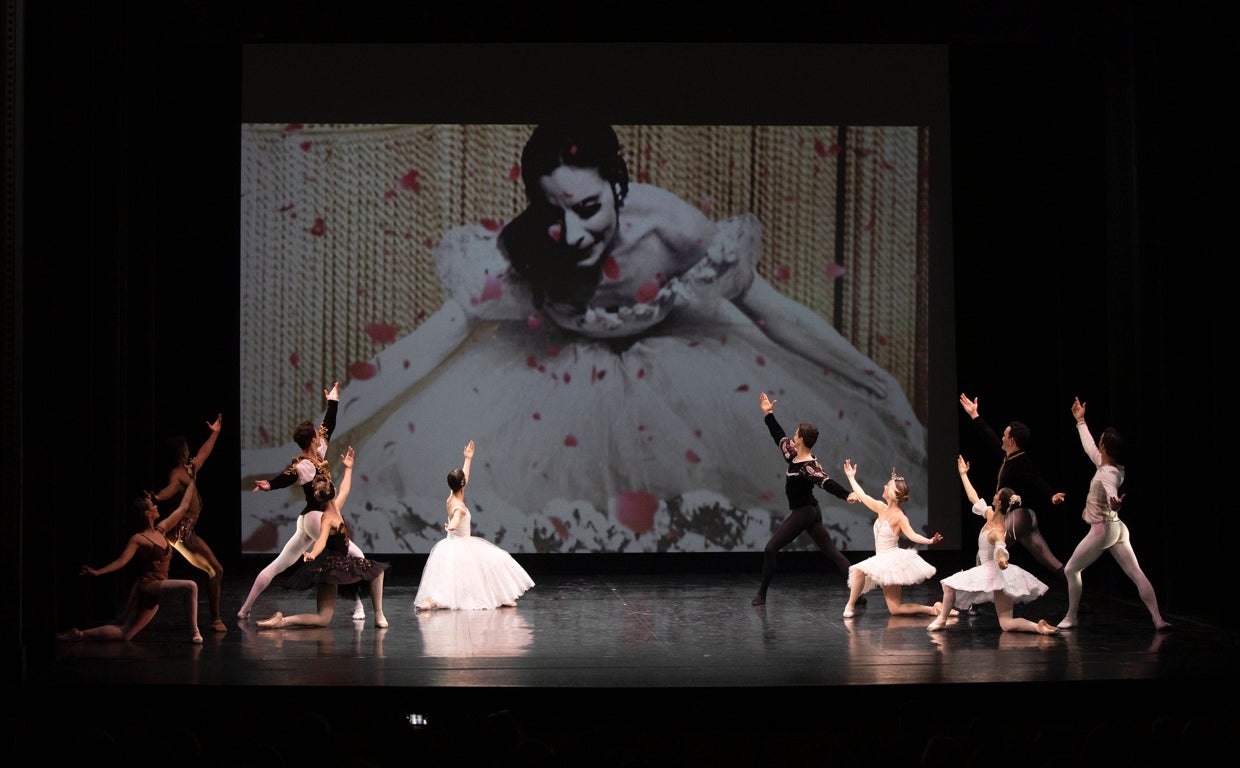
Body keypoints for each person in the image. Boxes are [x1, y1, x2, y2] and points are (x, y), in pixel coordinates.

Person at [241, 121, 928, 556]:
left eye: (590, 208)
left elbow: (777, 316)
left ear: (620, 188)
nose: (571, 235)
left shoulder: (671, 229)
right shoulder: (525, 254)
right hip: (549, 382)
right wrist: (319, 440)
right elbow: (422, 349)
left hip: (682, 373)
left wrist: (881, 384)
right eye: (553, 211)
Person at [239, 382, 368, 621]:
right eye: (317, 436)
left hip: (307, 520)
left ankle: (245, 608)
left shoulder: (318, 454)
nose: (320, 436)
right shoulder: (305, 466)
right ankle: (359, 606)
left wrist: (333, 401)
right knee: (354, 555)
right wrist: (270, 485)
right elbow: (288, 476)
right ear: (311, 441)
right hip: (316, 518)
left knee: (280, 564)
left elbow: (329, 425)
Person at [1056, 397, 1170, 631]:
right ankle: (1158, 620)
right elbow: (1089, 446)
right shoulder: (1108, 466)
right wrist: (1080, 421)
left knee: (1071, 569)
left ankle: (1071, 616)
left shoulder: (1108, 473)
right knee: (1136, 572)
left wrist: (1115, 502)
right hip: (1117, 528)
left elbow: (1110, 490)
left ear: (1105, 448)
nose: (1097, 444)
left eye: (1100, 442)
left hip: (1103, 529)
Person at [57, 469, 204, 643]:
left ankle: (79, 635)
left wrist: (192, 481)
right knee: (191, 586)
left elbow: (183, 507)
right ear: (148, 514)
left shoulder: (161, 529)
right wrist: (98, 572)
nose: (156, 506)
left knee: (125, 633)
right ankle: (195, 633)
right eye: (153, 506)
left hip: (158, 586)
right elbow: (121, 561)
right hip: (149, 586)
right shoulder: (138, 539)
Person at [257, 446, 390, 628]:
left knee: (322, 619)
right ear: (331, 493)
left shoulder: (334, 507)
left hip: (330, 568)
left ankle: (283, 621)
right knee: (377, 571)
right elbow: (321, 540)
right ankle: (379, 615)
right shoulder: (327, 518)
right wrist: (312, 553)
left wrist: (349, 469)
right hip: (337, 566)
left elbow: (345, 489)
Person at [927, 455, 1058, 634]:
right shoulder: (990, 515)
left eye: (996, 495)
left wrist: (1003, 559)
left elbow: (1001, 547)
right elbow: (973, 498)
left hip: (989, 571)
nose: (994, 496)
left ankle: (941, 619)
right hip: (997, 576)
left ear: (998, 502)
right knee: (1006, 623)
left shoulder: (997, 529)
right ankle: (1038, 627)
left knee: (949, 585)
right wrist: (963, 474)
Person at [751, 392, 859, 606]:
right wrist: (768, 414)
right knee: (831, 552)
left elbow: (826, 482)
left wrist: (846, 495)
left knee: (770, 549)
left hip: (804, 512)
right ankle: (860, 595)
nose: (792, 436)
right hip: (811, 511)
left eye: (795, 434)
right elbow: (778, 436)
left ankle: (761, 595)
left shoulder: (808, 466)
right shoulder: (793, 455)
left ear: (800, 439)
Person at [414, 440, 535, 611]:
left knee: (458, 575)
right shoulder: (459, 507)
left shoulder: (452, 496)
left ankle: (499, 597)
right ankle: (434, 600)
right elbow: (456, 519)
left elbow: (464, 478)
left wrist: (468, 459)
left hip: (452, 544)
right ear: (462, 484)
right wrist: (451, 526)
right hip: (462, 543)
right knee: (495, 561)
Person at [958, 392, 1068, 576]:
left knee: (985, 551)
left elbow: (1036, 479)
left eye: (1005, 435)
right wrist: (974, 415)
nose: (1001, 437)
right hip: (1024, 518)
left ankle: (976, 602)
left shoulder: (1022, 462)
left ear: (1012, 441)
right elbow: (989, 436)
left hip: (1018, 516)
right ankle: (1071, 581)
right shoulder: (1008, 457)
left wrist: (1051, 495)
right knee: (1048, 559)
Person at [840, 459, 949, 619]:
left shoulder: (899, 517)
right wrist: (851, 477)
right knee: (893, 607)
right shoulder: (880, 507)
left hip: (891, 561)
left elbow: (912, 535)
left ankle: (850, 605)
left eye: (887, 485)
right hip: (881, 559)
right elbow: (862, 496)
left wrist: (930, 541)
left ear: (892, 493)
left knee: (862, 574)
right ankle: (933, 609)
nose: (884, 486)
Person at [152, 412, 227, 633]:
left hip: (184, 532)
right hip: (181, 534)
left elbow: (203, 454)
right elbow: (169, 490)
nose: (189, 451)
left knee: (212, 571)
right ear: (181, 452)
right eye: (186, 448)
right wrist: (157, 498)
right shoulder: (177, 474)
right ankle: (215, 619)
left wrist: (215, 434)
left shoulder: (189, 469)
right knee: (216, 570)